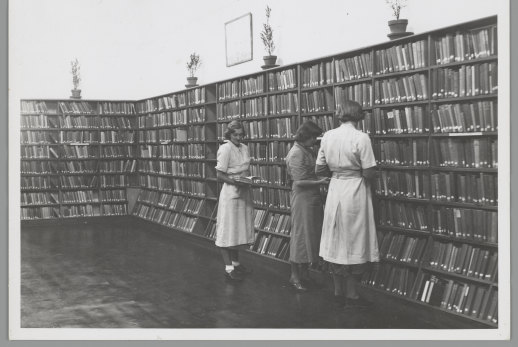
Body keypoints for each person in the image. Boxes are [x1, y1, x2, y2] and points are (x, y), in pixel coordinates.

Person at [315, 100, 380, 308]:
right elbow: (369, 172)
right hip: (356, 189)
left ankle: (337, 289)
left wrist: (337, 172)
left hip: (335, 188)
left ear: (340, 114)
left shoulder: (327, 136)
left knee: (335, 237)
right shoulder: (361, 137)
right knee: (356, 238)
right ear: (358, 115)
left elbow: (319, 170)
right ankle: (352, 293)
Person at [285, 121, 329, 291]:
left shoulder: (306, 150)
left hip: (311, 198)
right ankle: (294, 276)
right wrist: (320, 181)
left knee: (309, 235)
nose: (315, 141)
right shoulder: (297, 153)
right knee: (300, 236)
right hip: (303, 199)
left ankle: (304, 273)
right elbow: (299, 182)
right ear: (306, 137)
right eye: (313, 138)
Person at [215, 120, 255, 281]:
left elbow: (246, 168)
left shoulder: (244, 148)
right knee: (227, 230)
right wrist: (236, 182)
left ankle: (237, 263)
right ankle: (228, 267)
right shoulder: (225, 149)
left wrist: (250, 179)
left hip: (244, 193)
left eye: (241, 134)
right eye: (235, 134)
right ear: (229, 135)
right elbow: (219, 175)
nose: (238, 137)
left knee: (238, 230)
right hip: (231, 194)